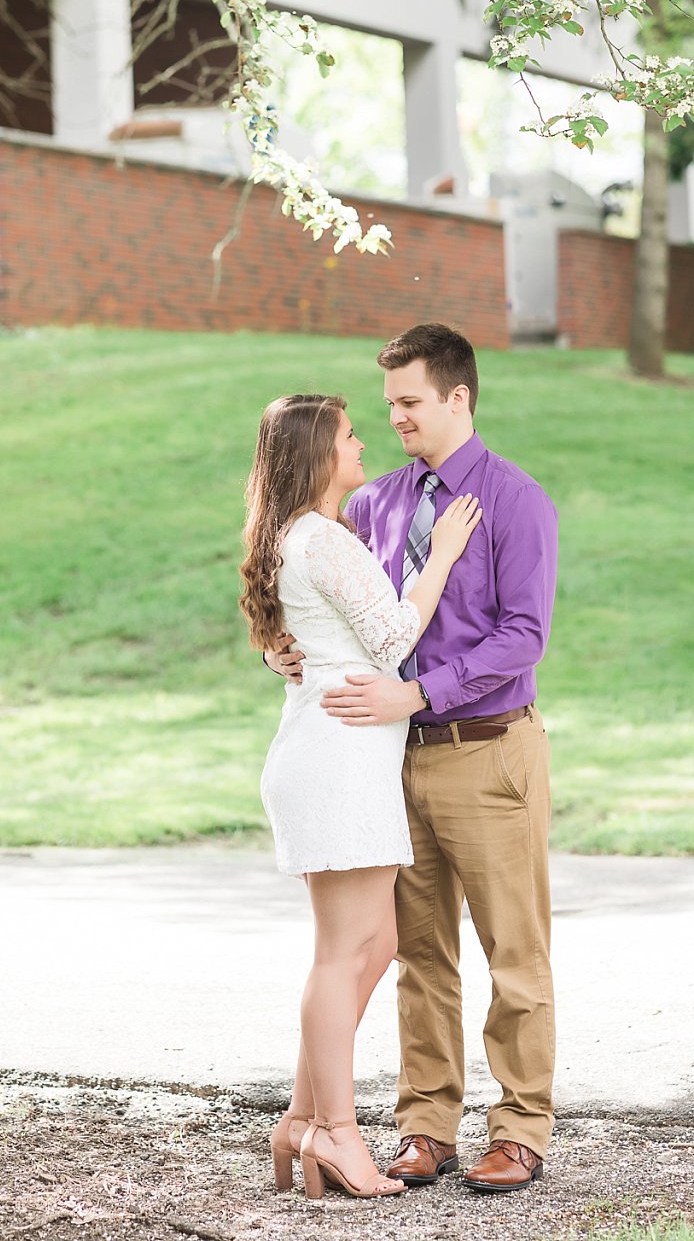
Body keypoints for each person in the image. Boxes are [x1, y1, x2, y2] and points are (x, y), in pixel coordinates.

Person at [266, 322, 561, 1196]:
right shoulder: (373, 504)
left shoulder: (516, 500)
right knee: (416, 954)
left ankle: (519, 1129)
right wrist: (289, 652)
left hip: (488, 752)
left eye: (408, 401)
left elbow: (524, 637)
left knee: (515, 951)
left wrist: (421, 694)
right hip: (388, 764)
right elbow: (341, 612)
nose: (393, 417)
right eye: (386, 403)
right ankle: (426, 1125)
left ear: (458, 397)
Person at [239, 393, 482, 1199]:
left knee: (369, 947)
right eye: (348, 434)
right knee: (347, 954)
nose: (362, 441)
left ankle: (302, 1123)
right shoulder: (324, 539)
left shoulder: (292, 537)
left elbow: (305, 642)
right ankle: (335, 1135)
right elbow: (392, 639)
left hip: (339, 758)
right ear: (317, 456)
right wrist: (443, 552)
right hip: (336, 762)